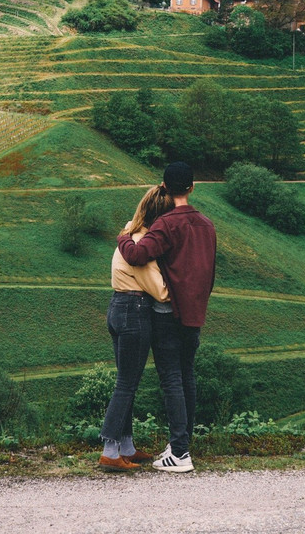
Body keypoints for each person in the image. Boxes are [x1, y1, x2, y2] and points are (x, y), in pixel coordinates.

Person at [117, 161, 216, 473]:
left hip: (167, 313)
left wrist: (123, 235)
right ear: (192, 187)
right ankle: (180, 444)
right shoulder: (207, 225)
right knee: (187, 376)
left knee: (171, 377)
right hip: (195, 313)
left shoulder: (166, 224)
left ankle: (181, 453)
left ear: (163, 186)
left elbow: (135, 255)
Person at [98, 185, 174, 472]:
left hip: (118, 307)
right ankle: (110, 449)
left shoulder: (129, 233)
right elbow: (161, 291)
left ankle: (125, 445)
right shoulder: (142, 247)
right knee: (127, 384)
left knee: (126, 379)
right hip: (135, 311)